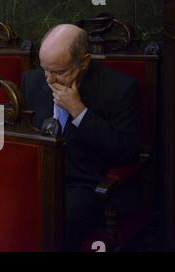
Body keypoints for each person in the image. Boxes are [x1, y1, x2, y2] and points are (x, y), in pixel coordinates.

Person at [22, 24, 140, 250]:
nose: (49, 79)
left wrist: (79, 112)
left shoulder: (120, 89)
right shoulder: (32, 80)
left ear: (84, 61)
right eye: (45, 68)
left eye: (58, 72)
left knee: (54, 223)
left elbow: (127, 152)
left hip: (85, 186)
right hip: (36, 180)